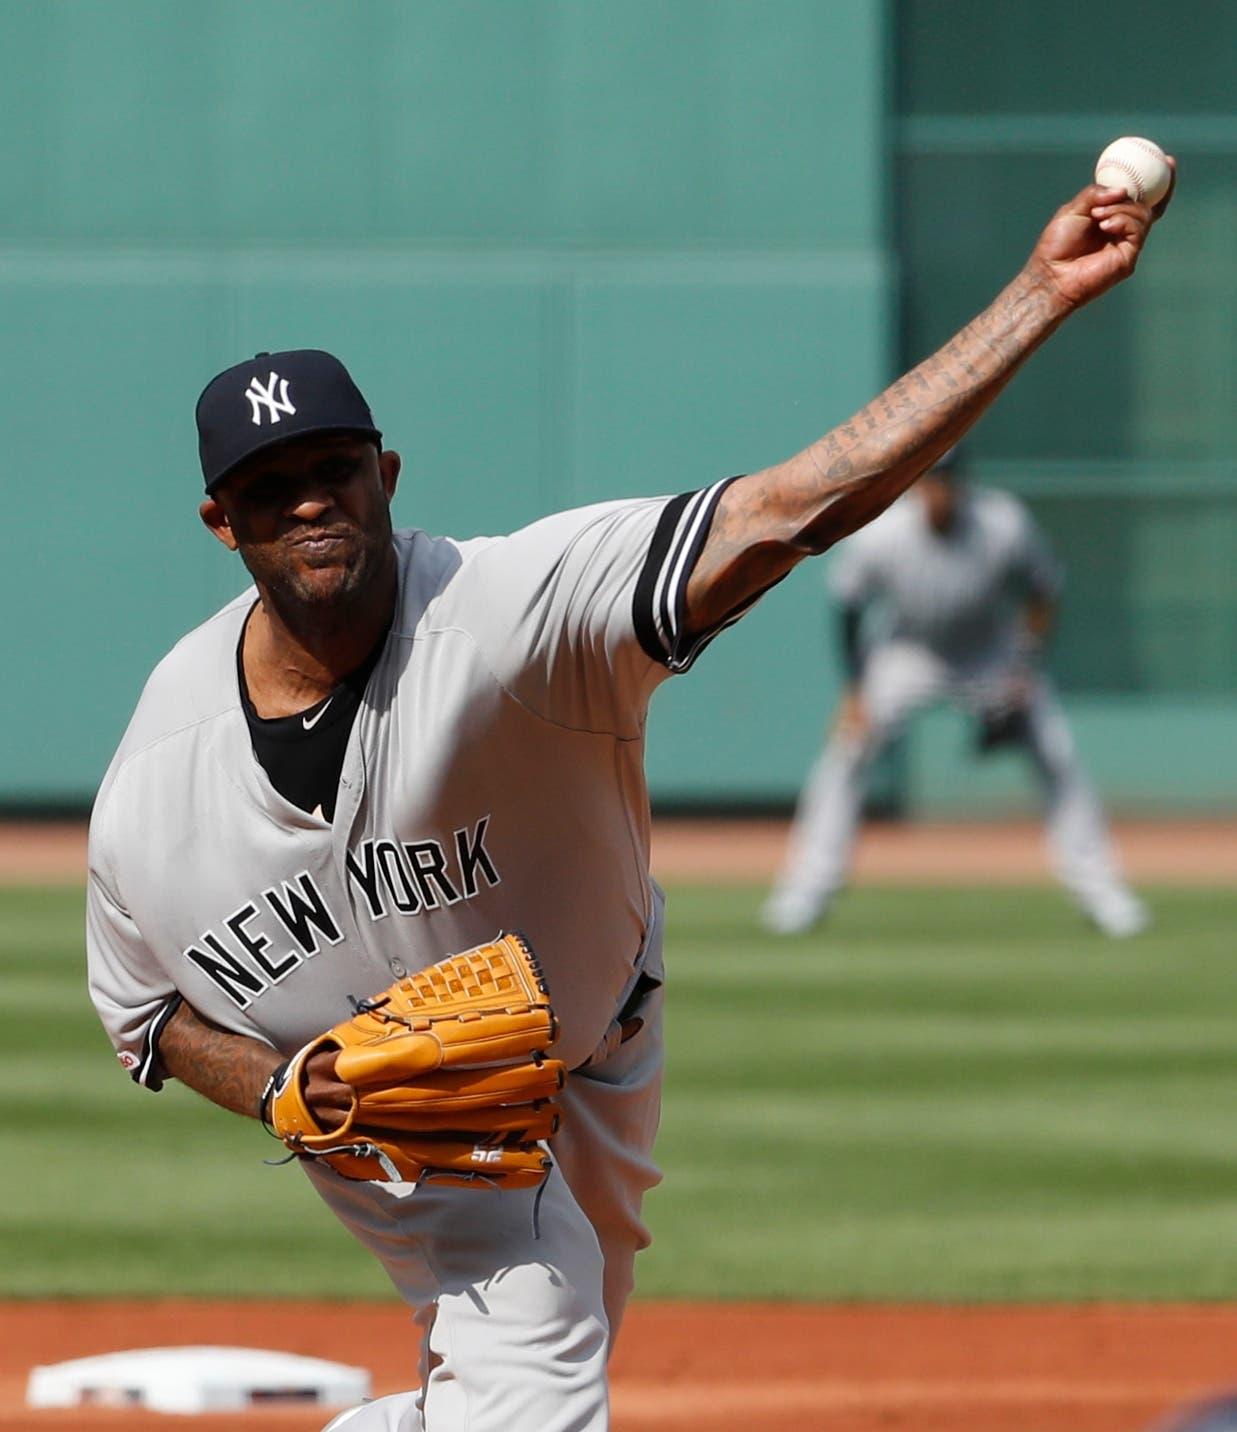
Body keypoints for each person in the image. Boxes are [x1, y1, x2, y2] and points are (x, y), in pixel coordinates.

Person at [86, 172, 1171, 1432]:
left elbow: (786, 509)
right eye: (272, 488)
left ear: (386, 470)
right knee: (535, 1385)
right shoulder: (156, 791)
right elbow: (144, 1018)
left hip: (607, 1036)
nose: (312, 500)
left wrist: (1035, 296)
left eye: (333, 466)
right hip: (424, 1134)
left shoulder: (508, 615)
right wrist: (278, 1090)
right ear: (224, 522)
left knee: (527, 1369)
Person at [761, 449, 1150, 939]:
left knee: (1057, 752)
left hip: (988, 651)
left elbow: (1044, 586)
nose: (940, 492)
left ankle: (1103, 891)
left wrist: (1024, 666)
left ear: (965, 486)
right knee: (849, 749)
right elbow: (849, 607)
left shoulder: (1001, 522)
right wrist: (856, 691)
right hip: (908, 652)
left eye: (948, 482)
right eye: (931, 482)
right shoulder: (884, 533)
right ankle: (806, 890)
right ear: (916, 487)